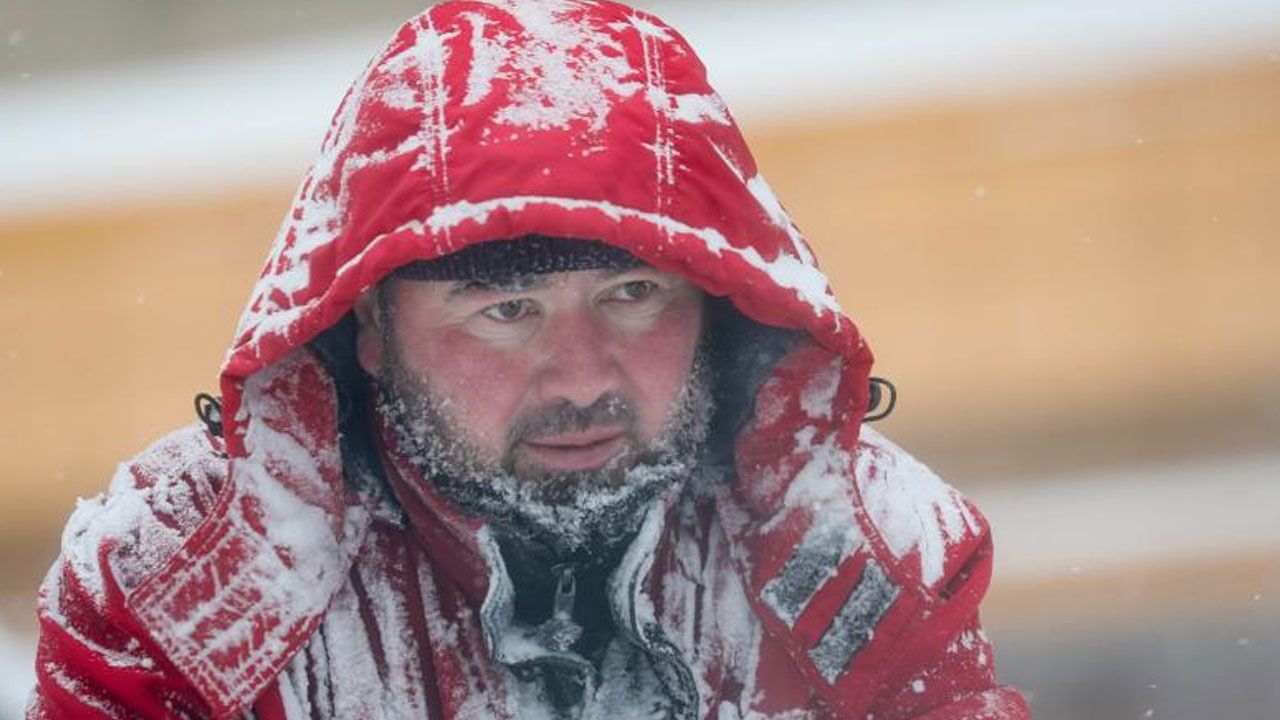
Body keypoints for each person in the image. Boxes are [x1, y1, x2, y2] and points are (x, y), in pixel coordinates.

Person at [27, 2, 1030, 718]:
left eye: (632, 296)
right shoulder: (174, 586)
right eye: (505, 311)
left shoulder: (859, 553)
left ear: (719, 303)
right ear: (366, 328)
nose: (583, 376)